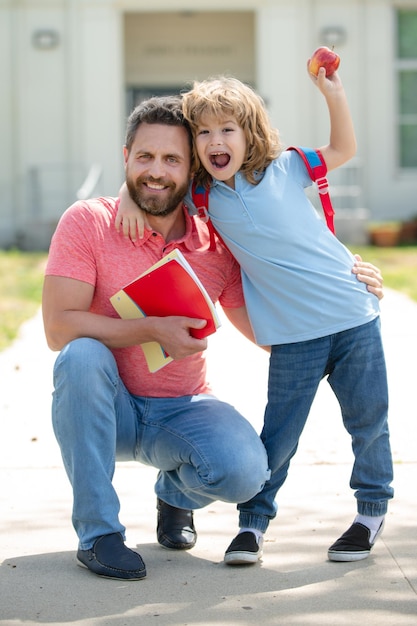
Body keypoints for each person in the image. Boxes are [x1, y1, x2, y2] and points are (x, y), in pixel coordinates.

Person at [117, 67, 392, 567]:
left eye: (227, 129)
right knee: (278, 437)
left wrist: (334, 93)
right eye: (203, 131)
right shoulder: (204, 197)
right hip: (294, 337)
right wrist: (122, 192)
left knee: (368, 423)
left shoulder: (287, 168)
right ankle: (254, 523)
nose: (214, 140)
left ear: (250, 134)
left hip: (353, 316)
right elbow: (157, 186)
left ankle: (371, 510)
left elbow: (343, 149)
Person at [42, 95, 272, 581]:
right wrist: (147, 328)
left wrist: (342, 291)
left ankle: (174, 498)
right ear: (125, 156)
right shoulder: (88, 222)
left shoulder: (215, 241)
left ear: (192, 170)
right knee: (80, 356)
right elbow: (58, 327)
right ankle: (99, 533)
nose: (156, 171)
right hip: (109, 409)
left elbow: (265, 333)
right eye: (145, 156)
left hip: (180, 407)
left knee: (245, 472)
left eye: (172, 159)